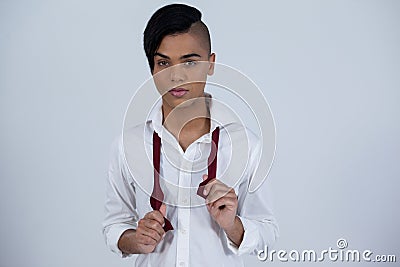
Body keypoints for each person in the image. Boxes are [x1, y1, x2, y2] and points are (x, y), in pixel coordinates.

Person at [102, 3, 279, 266]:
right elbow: (113, 225)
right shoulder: (128, 146)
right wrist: (134, 239)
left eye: (190, 62)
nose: (177, 76)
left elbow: (268, 232)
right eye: (164, 62)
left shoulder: (246, 145)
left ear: (211, 64)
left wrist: (232, 225)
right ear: (152, 68)